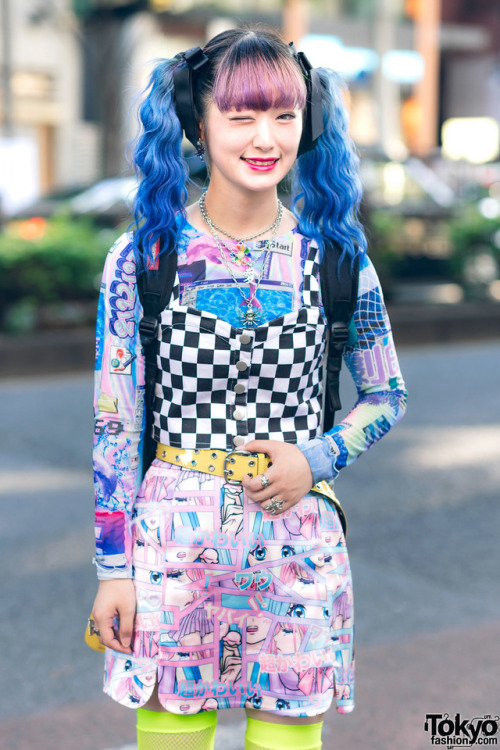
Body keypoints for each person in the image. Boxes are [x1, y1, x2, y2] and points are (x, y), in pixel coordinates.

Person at [90, 26, 407, 750]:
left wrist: (317, 457)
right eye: (242, 115)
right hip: (170, 554)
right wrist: (114, 571)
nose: (266, 137)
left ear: (308, 122)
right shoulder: (145, 259)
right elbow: (115, 424)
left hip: (299, 549)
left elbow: (387, 396)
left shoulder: (336, 260)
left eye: (284, 115)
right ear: (198, 126)